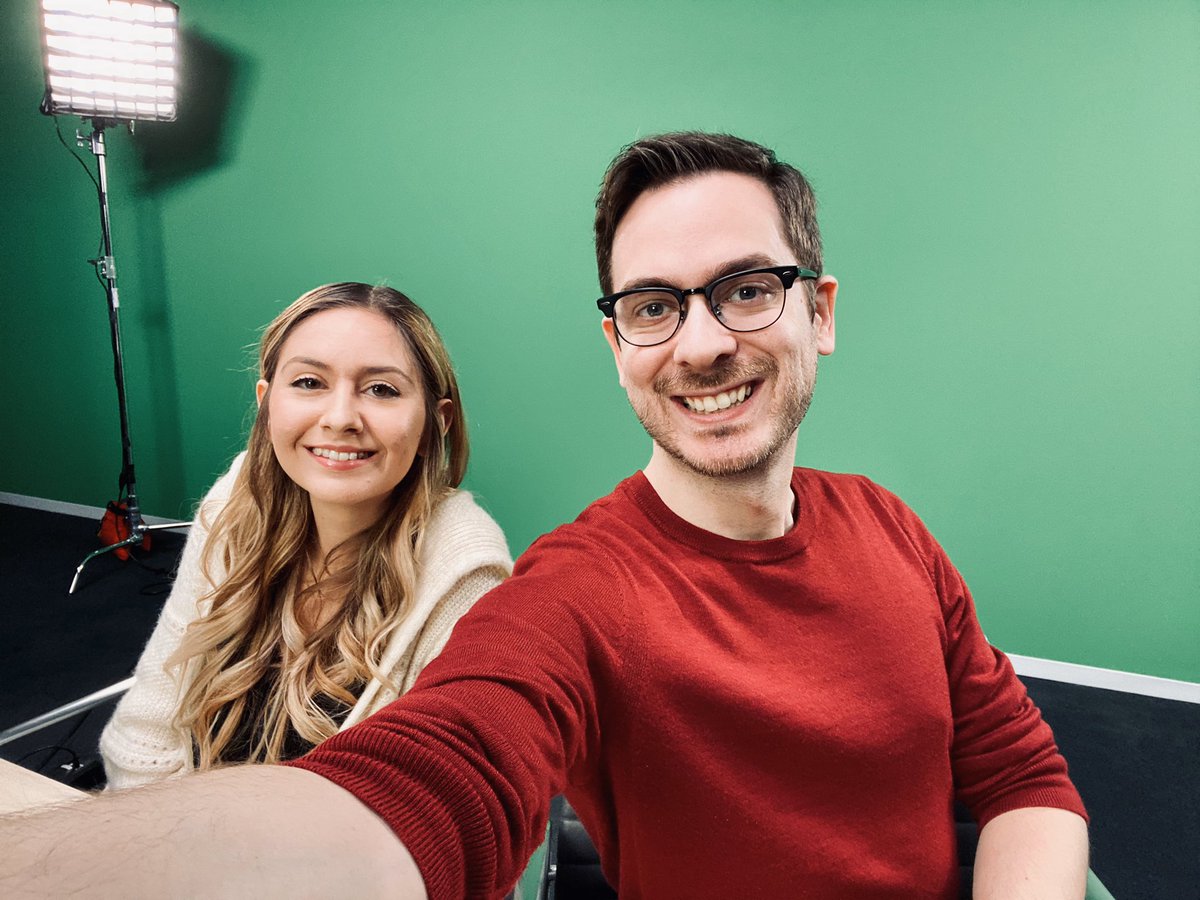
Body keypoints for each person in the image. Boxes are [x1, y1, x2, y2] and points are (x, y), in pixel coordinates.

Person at [0, 135, 1088, 900]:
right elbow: (436, 785)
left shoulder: (890, 527)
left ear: (821, 310)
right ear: (618, 346)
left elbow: (1026, 778)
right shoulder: (576, 590)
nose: (704, 342)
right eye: (654, 306)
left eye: (748, 288)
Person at [100, 281, 512, 788]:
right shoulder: (236, 500)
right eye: (309, 382)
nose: (339, 419)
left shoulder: (465, 579)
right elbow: (145, 726)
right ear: (267, 404)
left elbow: (440, 807)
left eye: (381, 390)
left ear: (433, 425)